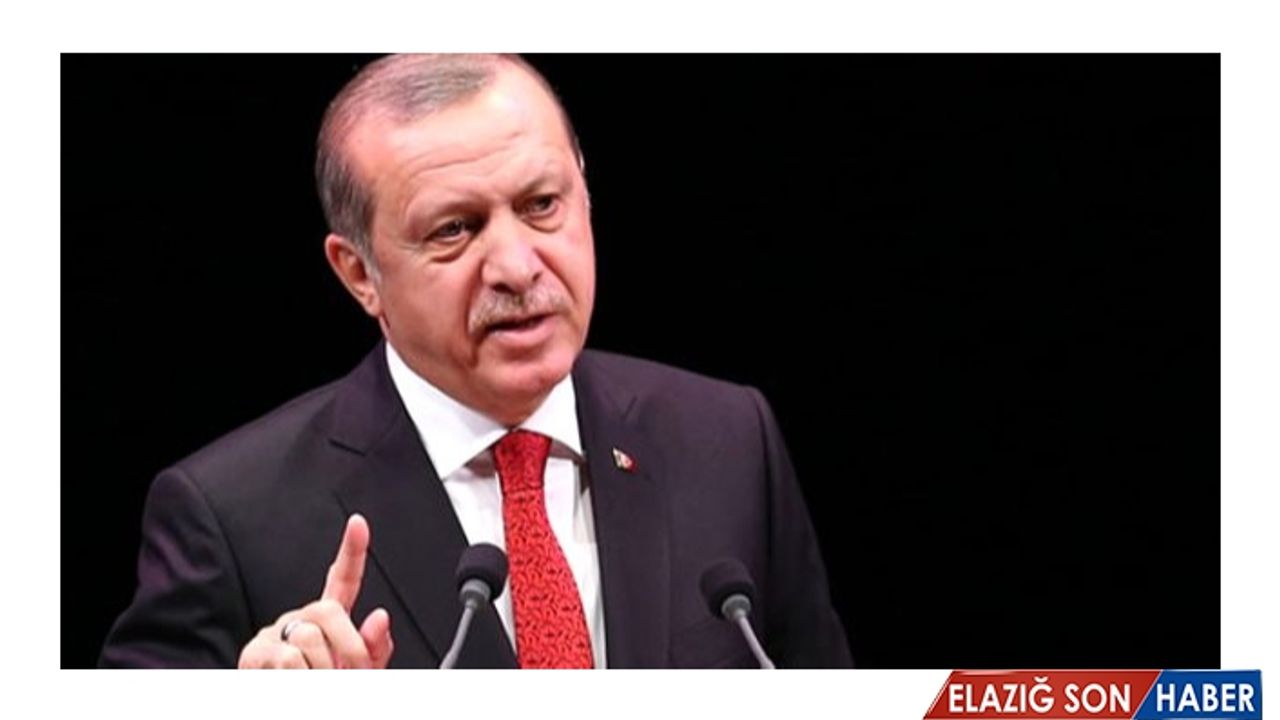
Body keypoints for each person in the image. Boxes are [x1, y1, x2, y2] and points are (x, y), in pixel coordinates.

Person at [99, 54, 853, 669]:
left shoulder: (728, 438)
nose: (518, 267)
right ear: (359, 274)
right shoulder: (230, 517)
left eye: (542, 205)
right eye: (455, 229)